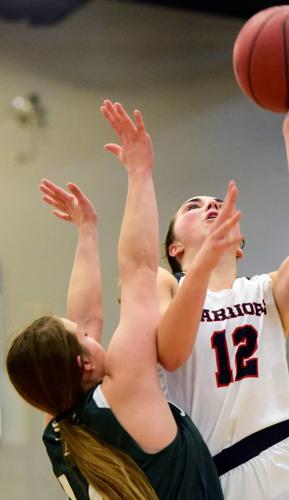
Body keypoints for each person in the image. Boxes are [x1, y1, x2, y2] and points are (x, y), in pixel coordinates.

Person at [6, 100, 242, 500]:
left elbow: (85, 317)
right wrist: (139, 172)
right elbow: (138, 269)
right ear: (83, 362)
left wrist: (87, 232)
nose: (86, 329)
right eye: (79, 335)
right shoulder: (124, 390)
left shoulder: (59, 427)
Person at [157, 62, 289, 499]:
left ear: (239, 242)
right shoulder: (167, 291)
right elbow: (169, 352)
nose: (209, 206)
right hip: (225, 476)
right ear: (173, 249)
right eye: (192, 206)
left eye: (219, 203)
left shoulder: (264, 292)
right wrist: (201, 267)